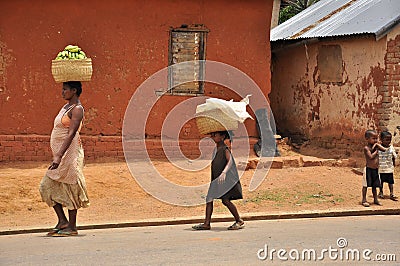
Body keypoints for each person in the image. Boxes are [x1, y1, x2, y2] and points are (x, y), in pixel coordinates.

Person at [39, 81, 89, 236]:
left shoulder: (77, 109)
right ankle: (62, 220)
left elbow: (71, 133)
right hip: (60, 154)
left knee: (71, 185)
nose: (62, 92)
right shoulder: (66, 107)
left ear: (74, 91)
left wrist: (59, 155)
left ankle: (72, 227)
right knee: (47, 185)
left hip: (70, 153)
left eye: (65, 89)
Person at [192, 131, 244, 230]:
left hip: (224, 179)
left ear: (222, 136)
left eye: (214, 135)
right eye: (212, 135)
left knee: (226, 200)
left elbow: (230, 162)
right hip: (216, 179)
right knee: (209, 199)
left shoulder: (225, 149)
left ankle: (239, 220)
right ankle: (206, 223)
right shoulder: (216, 149)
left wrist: (224, 173)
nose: (212, 137)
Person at [362, 129, 385, 207]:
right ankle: (364, 200)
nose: (375, 140)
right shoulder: (366, 148)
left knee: (374, 186)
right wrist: (377, 150)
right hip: (368, 169)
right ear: (367, 139)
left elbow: (384, 149)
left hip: (375, 169)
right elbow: (371, 157)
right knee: (365, 185)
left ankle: (375, 199)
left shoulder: (376, 147)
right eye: (373, 138)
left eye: (376, 138)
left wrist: (378, 145)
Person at [378, 131, 398, 201]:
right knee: (381, 182)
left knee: (391, 182)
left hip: (389, 168)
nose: (388, 141)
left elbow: (393, 157)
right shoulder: (378, 147)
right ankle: (381, 192)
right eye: (386, 140)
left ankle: (391, 193)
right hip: (381, 168)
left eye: (389, 140)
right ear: (381, 139)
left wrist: (393, 165)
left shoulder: (391, 148)